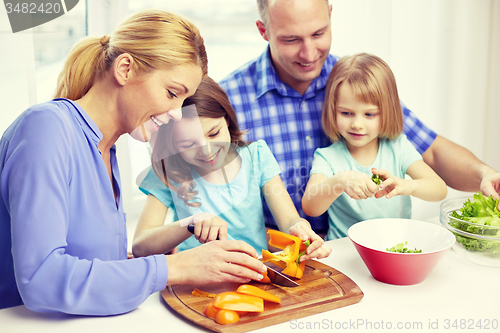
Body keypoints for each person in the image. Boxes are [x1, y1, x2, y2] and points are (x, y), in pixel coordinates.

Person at [0, 9, 267, 314]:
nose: (178, 114)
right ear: (125, 69)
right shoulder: (46, 128)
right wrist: (174, 267)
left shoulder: (107, 151)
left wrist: (159, 248)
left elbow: (90, 267)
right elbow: (42, 280)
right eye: (171, 93)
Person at [218, 0, 500, 235]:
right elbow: (198, 190)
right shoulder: (227, 100)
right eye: (291, 39)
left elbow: (433, 153)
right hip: (276, 252)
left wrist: (485, 175)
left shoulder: (353, 83)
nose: (308, 53)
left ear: (330, 15)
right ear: (263, 31)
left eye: (318, 34)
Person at [133, 77, 331, 261]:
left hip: (253, 270)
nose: (207, 151)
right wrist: (191, 223)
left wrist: (301, 230)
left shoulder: (257, 156)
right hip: (194, 275)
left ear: (226, 120)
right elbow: (140, 246)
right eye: (188, 145)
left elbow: (289, 220)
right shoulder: (168, 170)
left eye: (214, 133)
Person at [302, 53, 447, 239]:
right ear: (333, 110)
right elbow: (310, 207)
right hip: (344, 253)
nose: (357, 124)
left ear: (387, 112)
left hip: (394, 248)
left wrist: (407, 186)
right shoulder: (327, 157)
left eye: (369, 115)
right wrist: (339, 182)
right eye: (346, 113)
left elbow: (439, 189)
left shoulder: (398, 147)